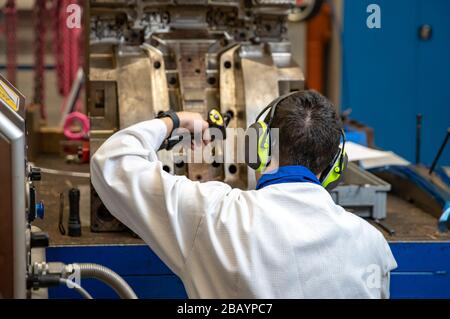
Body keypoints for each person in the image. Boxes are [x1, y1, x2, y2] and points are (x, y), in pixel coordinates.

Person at [91, 90, 397, 298]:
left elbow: (113, 161)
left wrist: (175, 120)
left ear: (258, 146)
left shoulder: (214, 216)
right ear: (335, 167)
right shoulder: (372, 246)